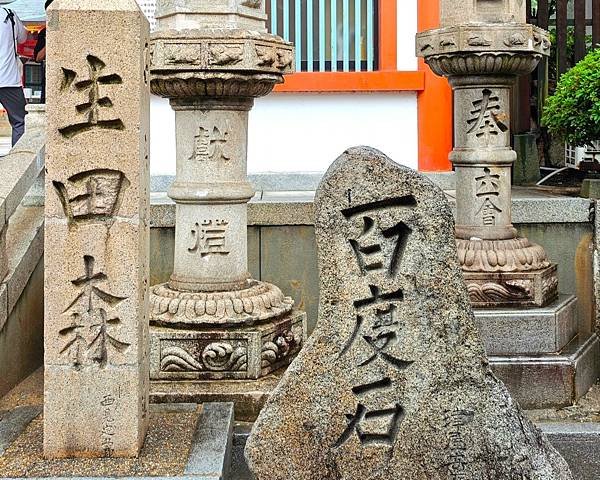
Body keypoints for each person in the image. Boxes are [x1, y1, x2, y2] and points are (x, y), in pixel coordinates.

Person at [0, 4, 27, 146]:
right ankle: (18, 162)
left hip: (8, 79)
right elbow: (23, 38)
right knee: (20, 121)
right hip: (8, 80)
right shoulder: (9, 14)